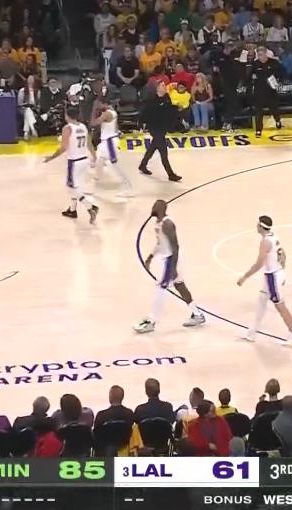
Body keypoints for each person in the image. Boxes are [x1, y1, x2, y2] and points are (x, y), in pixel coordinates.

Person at [134, 199, 206, 333]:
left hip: (171, 259)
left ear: (161, 209)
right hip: (168, 259)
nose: (152, 207)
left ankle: (151, 321)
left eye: (155, 206)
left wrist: (173, 267)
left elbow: (175, 246)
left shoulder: (168, 224)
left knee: (161, 289)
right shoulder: (158, 223)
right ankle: (197, 314)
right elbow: (160, 244)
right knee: (179, 286)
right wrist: (150, 257)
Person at [237, 215, 292, 346]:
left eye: (257, 224)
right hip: (274, 274)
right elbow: (283, 255)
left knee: (280, 306)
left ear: (261, 226)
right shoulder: (274, 237)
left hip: (273, 277)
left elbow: (259, 264)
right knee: (261, 301)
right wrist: (282, 270)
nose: (256, 226)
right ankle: (252, 333)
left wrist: (244, 277)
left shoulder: (265, 242)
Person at [43, 107, 100, 224]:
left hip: (74, 162)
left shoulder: (67, 128)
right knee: (77, 186)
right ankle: (72, 210)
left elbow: (64, 147)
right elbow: (89, 143)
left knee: (71, 187)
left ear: (67, 116)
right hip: (84, 160)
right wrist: (94, 156)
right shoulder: (83, 126)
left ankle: (90, 207)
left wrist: (51, 157)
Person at [138, 81, 182, 182]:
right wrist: (141, 124)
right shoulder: (151, 99)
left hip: (163, 126)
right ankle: (170, 174)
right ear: (157, 88)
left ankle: (143, 165)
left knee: (153, 146)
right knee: (163, 151)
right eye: (162, 85)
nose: (165, 87)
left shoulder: (166, 97)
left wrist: (176, 108)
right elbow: (145, 112)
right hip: (154, 127)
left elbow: (168, 110)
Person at [91, 100, 133, 198]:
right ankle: (94, 186)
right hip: (106, 142)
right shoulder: (112, 111)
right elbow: (115, 126)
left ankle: (128, 188)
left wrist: (93, 109)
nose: (98, 106)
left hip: (109, 143)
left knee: (115, 166)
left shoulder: (107, 113)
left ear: (105, 104)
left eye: (99, 104)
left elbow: (93, 123)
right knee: (99, 162)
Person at [248, 46, 282, 137]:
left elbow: (280, 74)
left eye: (262, 55)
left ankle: (278, 121)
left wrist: (277, 81)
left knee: (274, 109)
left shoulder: (274, 63)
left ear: (266, 53)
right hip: (259, 91)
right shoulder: (255, 64)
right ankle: (258, 129)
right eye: (258, 55)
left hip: (271, 91)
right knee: (258, 112)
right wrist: (252, 77)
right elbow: (249, 76)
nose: (260, 57)